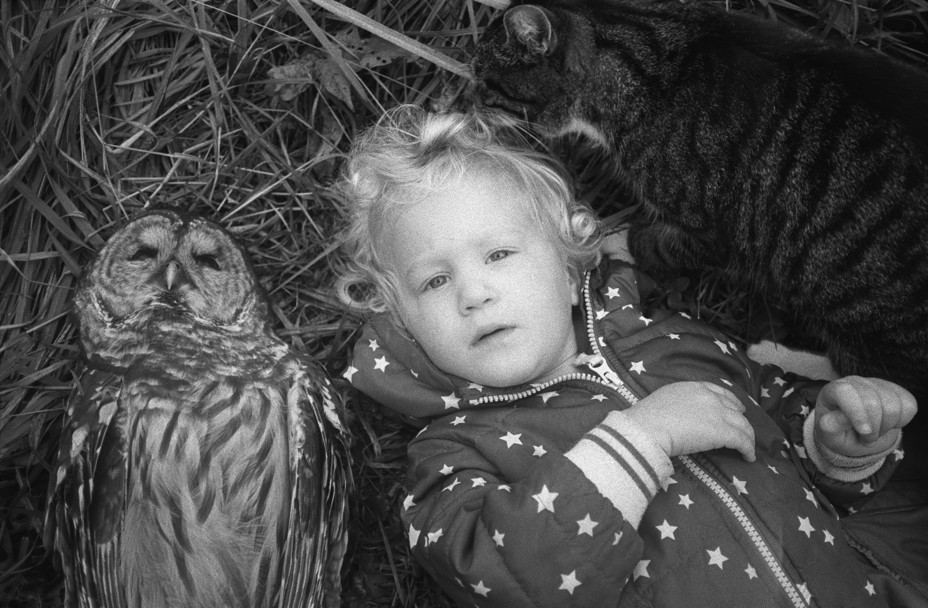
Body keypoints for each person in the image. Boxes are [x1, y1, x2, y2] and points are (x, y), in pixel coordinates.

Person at [336, 105, 926, 607]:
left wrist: (834, 440)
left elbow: (776, 418)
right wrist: (641, 439)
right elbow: (505, 576)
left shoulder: (675, 339)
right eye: (434, 282)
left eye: (498, 255)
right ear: (404, 324)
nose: (473, 293)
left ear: (569, 271)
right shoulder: (449, 457)